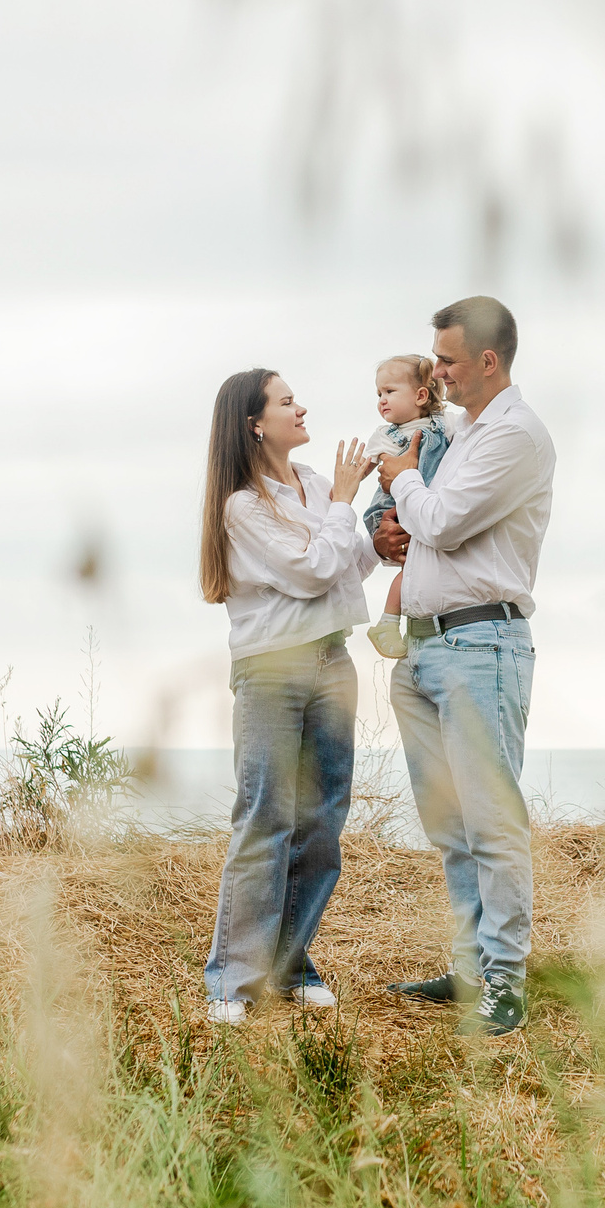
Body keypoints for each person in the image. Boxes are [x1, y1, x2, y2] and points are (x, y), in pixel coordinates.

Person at [371, 297, 556, 1037]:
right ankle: (470, 966)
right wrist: (389, 528)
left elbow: (442, 521)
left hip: (482, 645)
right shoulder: (460, 431)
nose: (435, 372)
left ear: (488, 360)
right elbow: (420, 528)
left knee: (491, 819)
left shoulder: (516, 436)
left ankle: (504, 980)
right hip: (423, 648)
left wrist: (402, 478)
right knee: (450, 824)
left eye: (446, 360)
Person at [197, 367, 377, 1025]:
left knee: (322, 821)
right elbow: (309, 571)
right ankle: (232, 978)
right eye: (286, 400)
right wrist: (346, 507)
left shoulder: (317, 487)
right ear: (255, 423)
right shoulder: (242, 504)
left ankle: (290, 962)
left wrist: (373, 544)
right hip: (272, 670)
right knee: (266, 817)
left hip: (332, 658)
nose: (301, 406)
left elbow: (341, 568)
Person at [360, 354, 455, 661]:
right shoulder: (386, 436)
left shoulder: (445, 424)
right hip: (391, 511)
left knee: (416, 568)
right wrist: (341, 490)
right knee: (412, 565)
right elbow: (362, 468)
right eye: (379, 394)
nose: (381, 400)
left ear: (421, 395)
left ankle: (390, 622)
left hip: (423, 508)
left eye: (389, 391)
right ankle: (388, 622)